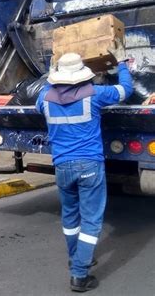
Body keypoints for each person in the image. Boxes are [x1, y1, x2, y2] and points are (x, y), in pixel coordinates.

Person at [36, 44, 132, 292]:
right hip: (89, 164)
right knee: (91, 220)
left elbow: (44, 94)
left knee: (70, 216)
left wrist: (50, 73)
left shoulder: (44, 97)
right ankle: (80, 274)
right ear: (82, 73)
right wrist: (121, 63)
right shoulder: (95, 93)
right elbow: (126, 90)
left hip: (62, 166)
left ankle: (76, 257)